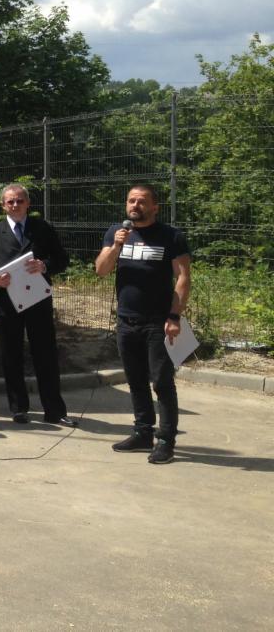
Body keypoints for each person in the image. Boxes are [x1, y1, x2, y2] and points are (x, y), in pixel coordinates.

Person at [95, 184, 190, 464]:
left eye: (142, 201)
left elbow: (183, 279)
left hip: (157, 322)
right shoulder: (116, 233)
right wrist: (116, 246)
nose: (135, 205)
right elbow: (101, 270)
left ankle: (166, 439)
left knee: (161, 381)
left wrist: (174, 317)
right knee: (135, 380)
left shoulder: (171, 236)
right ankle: (142, 432)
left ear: (155, 207)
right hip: (126, 320)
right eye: (131, 201)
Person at [0, 183, 77, 427]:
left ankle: (54, 410)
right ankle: (18, 408)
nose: (15, 205)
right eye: (10, 201)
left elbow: (62, 259)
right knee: (11, 355)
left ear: (28, 203)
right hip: (8, 302)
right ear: (3, 205)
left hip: (38, 300)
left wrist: (44, 266)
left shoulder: (42, 228)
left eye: (19, 201)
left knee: (45, 354)